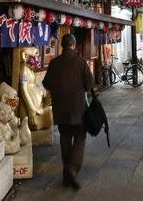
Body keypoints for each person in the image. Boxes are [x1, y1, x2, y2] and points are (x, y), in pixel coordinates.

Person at [42, 33, 93, 190]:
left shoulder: (54, 63)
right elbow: (90, 84)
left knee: (65, 138)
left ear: (62, 46)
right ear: (74, 45)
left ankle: (66, 175)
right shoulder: (80, 62)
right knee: (79, 138)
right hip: (78, 109)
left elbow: (46, 83)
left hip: (60, 109)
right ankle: (71, 169)